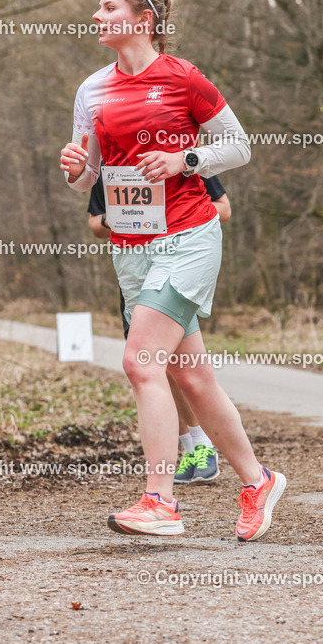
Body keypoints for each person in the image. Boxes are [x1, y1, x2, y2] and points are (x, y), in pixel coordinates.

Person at [61, 0, 285, 540]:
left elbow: (238, 145)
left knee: (141, 362)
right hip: (132, 246)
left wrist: (184, 160)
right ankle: (259, 480)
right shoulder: (91, 89)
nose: (96, 16)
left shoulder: (184, 79)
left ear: (143, 20)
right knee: (190, 374)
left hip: (187, 237)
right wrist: (73, 171)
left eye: (108, 6)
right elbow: (88, 176)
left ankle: (160, 500)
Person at [87, 170, 231, 484]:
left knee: (181, 368)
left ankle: (205, 445)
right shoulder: (110, 167)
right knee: (158, 368)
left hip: (174, 266)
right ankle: (191, 448)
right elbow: (96, 223)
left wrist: (169, 216)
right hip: (133, 271)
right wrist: (120, 218)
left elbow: (223, 208)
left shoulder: (183, 154)